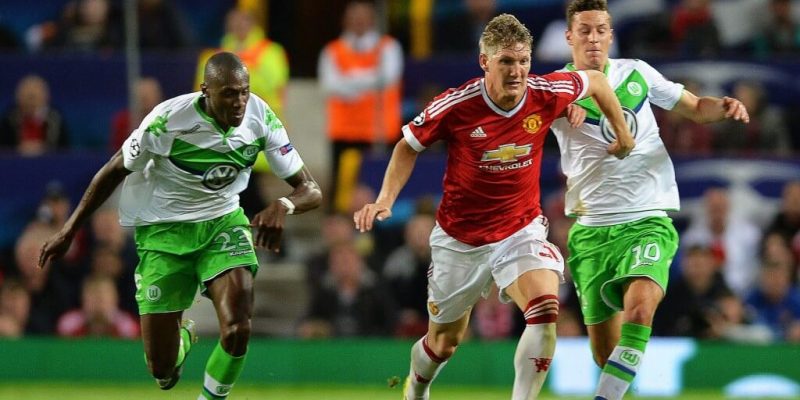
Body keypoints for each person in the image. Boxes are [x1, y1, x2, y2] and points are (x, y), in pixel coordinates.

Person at [354, 13, 635, 400]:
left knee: (545, 309)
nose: (516, 71)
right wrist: (385, 199)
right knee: (444, 343)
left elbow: (598, 82)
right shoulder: (456, 105)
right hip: (461, 240)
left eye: (523, 61)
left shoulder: (546, 92)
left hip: (519, 230)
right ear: (485, 61)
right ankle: (416, 387)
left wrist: (622, 133)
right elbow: (407, 146)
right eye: (506, 61)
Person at [37, 52, 322, 399]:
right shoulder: (167, 122)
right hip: (163, 232)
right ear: (206, 91)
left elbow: (311, 189)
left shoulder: (260, 117)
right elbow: (113, 169)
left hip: (222, 223)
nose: (239, 102)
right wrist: (69, 229)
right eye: (229, 94)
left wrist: (283, 204)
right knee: (163, 371)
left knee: (238, 327)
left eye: (244, 92)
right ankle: (181, 338)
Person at [548, 2, 750, 399]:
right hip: (591, 232)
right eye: (585, 31)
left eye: (601, 30)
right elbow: (523, 117)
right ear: (570, 37)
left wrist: (723, 107)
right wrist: (559, 105)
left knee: (640, 310)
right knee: (605, 354)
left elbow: (696, 108)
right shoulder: (555, 87)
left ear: (611, 34)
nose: (594, 38)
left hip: (647, 219)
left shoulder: (637, 72)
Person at [318, 0, 404, 213]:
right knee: (342, 193)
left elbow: (388, 78)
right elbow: (330, 85)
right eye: (353, 17)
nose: (358, 21)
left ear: (372, 20)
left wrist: (349, 81)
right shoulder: (332, 51)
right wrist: (368, 82)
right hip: (344, 133)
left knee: (381, 189)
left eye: (363, 17)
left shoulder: (388, 47)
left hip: (380, 133)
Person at [0, 74, 69, 155]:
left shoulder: (56, 118)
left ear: (46, 97)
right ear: (18, 97)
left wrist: (43, 148)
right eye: (27, 96)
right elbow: (4, 148)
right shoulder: (9, 118)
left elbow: (65, 150)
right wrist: (19, 149)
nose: (31, 102)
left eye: (34, 97)